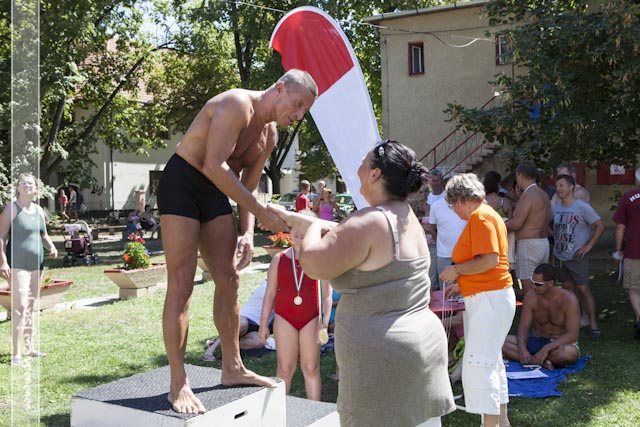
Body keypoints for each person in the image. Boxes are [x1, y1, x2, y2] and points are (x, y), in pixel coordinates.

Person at [156, 69, 317, 414]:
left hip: (215, 192)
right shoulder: (236, 104)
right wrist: (258, 211)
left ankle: (232, 367)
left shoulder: (269, 135)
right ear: (280, 88)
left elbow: (250, 185)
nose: (300, 114)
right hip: (183, 182)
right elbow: (214, 165)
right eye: (298, 104)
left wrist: (247, 232)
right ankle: (178, 381)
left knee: (230, 279)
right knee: (182, 283)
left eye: (305, 110)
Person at [272, 140, 455, 427]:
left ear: (375, 174)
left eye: (364, 161)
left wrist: (315, 225)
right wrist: (295, 220)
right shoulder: (405, 215)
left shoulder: (369, 221)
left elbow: (311, 262)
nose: (358, 164)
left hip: (383, 361)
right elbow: (351, 236)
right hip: (422, 349)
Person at [439, 172, 515, 427]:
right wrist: (461, 282)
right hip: (491, 296)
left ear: (461, 199)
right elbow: (488, 262)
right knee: (490, 361)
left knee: (480, 364)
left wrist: (456, 271)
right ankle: (501, 421)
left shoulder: (480, 217)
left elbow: (489, 260)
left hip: (489, 299)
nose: (453, 211)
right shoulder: (488, 214)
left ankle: (491, 424)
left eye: (452, 205)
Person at [258, 228, 332, 401]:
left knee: (311, 368)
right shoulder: (279, 259)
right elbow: (270, 294)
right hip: (285, 318)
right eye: (295, 227)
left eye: (304, 228)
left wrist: (324, 323)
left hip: (311, 318)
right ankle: (278, 412)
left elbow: (327, 295)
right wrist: (263, 324)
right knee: (284, 369)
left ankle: (314, 412)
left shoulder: (319, 259)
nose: (299, 233)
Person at [0, 174, 58, 365]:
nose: (27, 186)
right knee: (20, 307)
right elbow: (1, 237)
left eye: (30, 183)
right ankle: (16, 353)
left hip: (37, 265)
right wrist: (3, 262)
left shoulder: (39, 210)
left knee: (31, 306)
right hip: (18, 265)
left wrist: (51, 247)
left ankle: (30, 348)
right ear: (17, 187)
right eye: (23, 183)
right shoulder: (11, 209)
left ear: (36, 189)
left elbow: (43, 234)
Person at [551, 174, 605, 339]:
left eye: (561, 185)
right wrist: (554, 238)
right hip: (560, 256)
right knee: (567, 289)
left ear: (571, 187)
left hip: (577, 256)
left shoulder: (582, 207)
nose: (558, 189)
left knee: (583, 289)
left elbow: (600, 225)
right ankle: (572, 322)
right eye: (557, 186)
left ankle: (593, 324)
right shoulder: (555, 208)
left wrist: (588, 246)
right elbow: (548, 224)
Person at [502, 263, 580, 370]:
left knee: (569, 354)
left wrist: (546, 348)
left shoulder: (569, 299)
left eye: (538, 284)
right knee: (500, 341)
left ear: (550, 283)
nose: (533, 287)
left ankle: (533, 359)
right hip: (536, 340)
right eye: (533, 282)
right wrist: (522, 349)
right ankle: (543, 362)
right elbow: (523, 327)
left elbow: (572, 334)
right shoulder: (530, 297)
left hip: (559, 343)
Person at [506, 160, 551, 296]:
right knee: (542, 287)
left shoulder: (529, 194)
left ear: (520, 175)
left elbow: (517, 223)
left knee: (529, 290)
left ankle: (532, 310)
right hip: (543, 243)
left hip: (529, 245)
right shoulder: (543, 194)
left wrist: (497, 224)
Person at [203, 279, 275, 361]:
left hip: (258, 326)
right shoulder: (267, 285)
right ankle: (211, 349)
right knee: (242, 324)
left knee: (259, 342)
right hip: (245, 317)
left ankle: (225, 346)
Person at [613, 168, 640, 339]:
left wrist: (618, 249)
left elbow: (620, 226)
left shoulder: (628, 197)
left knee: (634, 288)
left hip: (634, 250)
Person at [428, 196, 467, 290]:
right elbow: (432, 229)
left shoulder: (467, 202)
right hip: (444, 255)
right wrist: (441, 244)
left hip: (465, 256)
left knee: (466, 288)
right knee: (445, 291)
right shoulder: (435, 206)